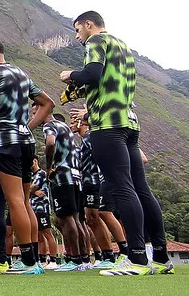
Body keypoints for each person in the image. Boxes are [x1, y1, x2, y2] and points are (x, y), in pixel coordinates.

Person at [61, 11, 172, 276]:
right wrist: (86, 110)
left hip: (108, 127)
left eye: (78, 31)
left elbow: (94, 73)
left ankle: (136, 258)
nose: (78, 37)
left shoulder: (95, 42)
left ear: (89, 25)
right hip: (129, 122)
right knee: (141, 189)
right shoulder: (123, 46)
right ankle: (161, 257)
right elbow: (111, 85)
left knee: (122, 187)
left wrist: (70, 74)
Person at [0, 40, 54, 275]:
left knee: (15, 201)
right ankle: (30, 258)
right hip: (26, 142)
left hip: (5, 144)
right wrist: (26, 126)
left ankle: (28, 262)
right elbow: (48, 103)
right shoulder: (21, 74)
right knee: (23, 201)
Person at [42, 113, 87, 272]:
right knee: (74, 219)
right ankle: (82, 258)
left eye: (35, 112)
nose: (34, 116)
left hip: (62, 177)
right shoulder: (66, 127)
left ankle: (75, 260)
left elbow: (50, 142)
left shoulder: (50, 125)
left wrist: (48, 167)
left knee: (67, 218)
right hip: (74, 176)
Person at [72, 113, 117, 270]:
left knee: (100, 216)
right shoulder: (84, 140)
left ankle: (112, 254)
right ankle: (104, 255)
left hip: (96, 182)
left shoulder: (91, 137)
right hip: (87, 183)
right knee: (91, 219)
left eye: (74, 121)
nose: (72, 124)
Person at [29, 156, 58, 270]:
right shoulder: (31, 175)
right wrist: (34, 192)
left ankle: (53, 259)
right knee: (38, 235)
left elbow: (30, 188)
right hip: (32, 208)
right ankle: (41, 259)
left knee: (47, 233)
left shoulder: (41, 173)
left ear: (35, 161)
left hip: (41, 208)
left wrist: (33, 191)